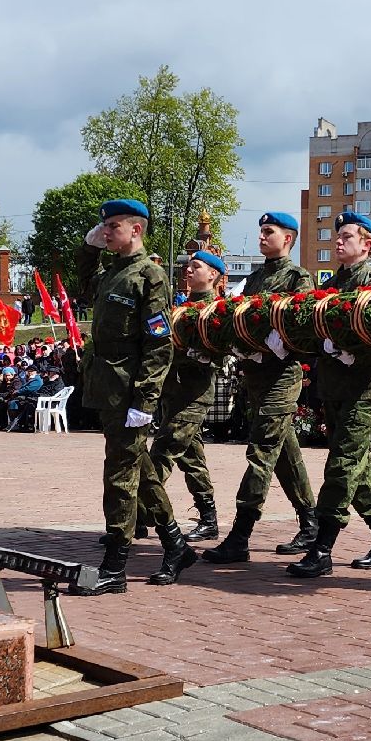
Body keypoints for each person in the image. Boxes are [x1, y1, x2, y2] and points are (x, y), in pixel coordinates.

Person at [71, 198, 180, 594]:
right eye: (104, 227)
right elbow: (84, 284)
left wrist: (145, 401)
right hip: (106, 388)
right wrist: (89, 249)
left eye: (112, 226)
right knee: (140, 468)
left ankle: (115, 565)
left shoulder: (149, 276)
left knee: (119, 475)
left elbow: (159, 345)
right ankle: (176, 545)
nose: (106, 232)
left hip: (129, 392)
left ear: (136, 229)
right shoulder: (112, 273)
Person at [290, 212, 371, 578]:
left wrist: (356, 349)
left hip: (364, 388)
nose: (338, 241)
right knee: (359, 465)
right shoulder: (333, 284)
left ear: (367, 245)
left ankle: (322, 548)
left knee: (342, 465)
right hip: (335, 386)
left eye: (347, 236)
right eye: (337, 236)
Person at [151, 249, 227, 546]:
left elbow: (220, 353)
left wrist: (198, 354)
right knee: (191, 459)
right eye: (188, 266)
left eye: (196, 267)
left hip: (195, 393)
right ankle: (209, 520)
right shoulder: (179, 308)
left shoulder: (217, 311)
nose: (189, 271)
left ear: (213, 275)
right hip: (174, 392)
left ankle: (138, 515)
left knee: (163, 452)